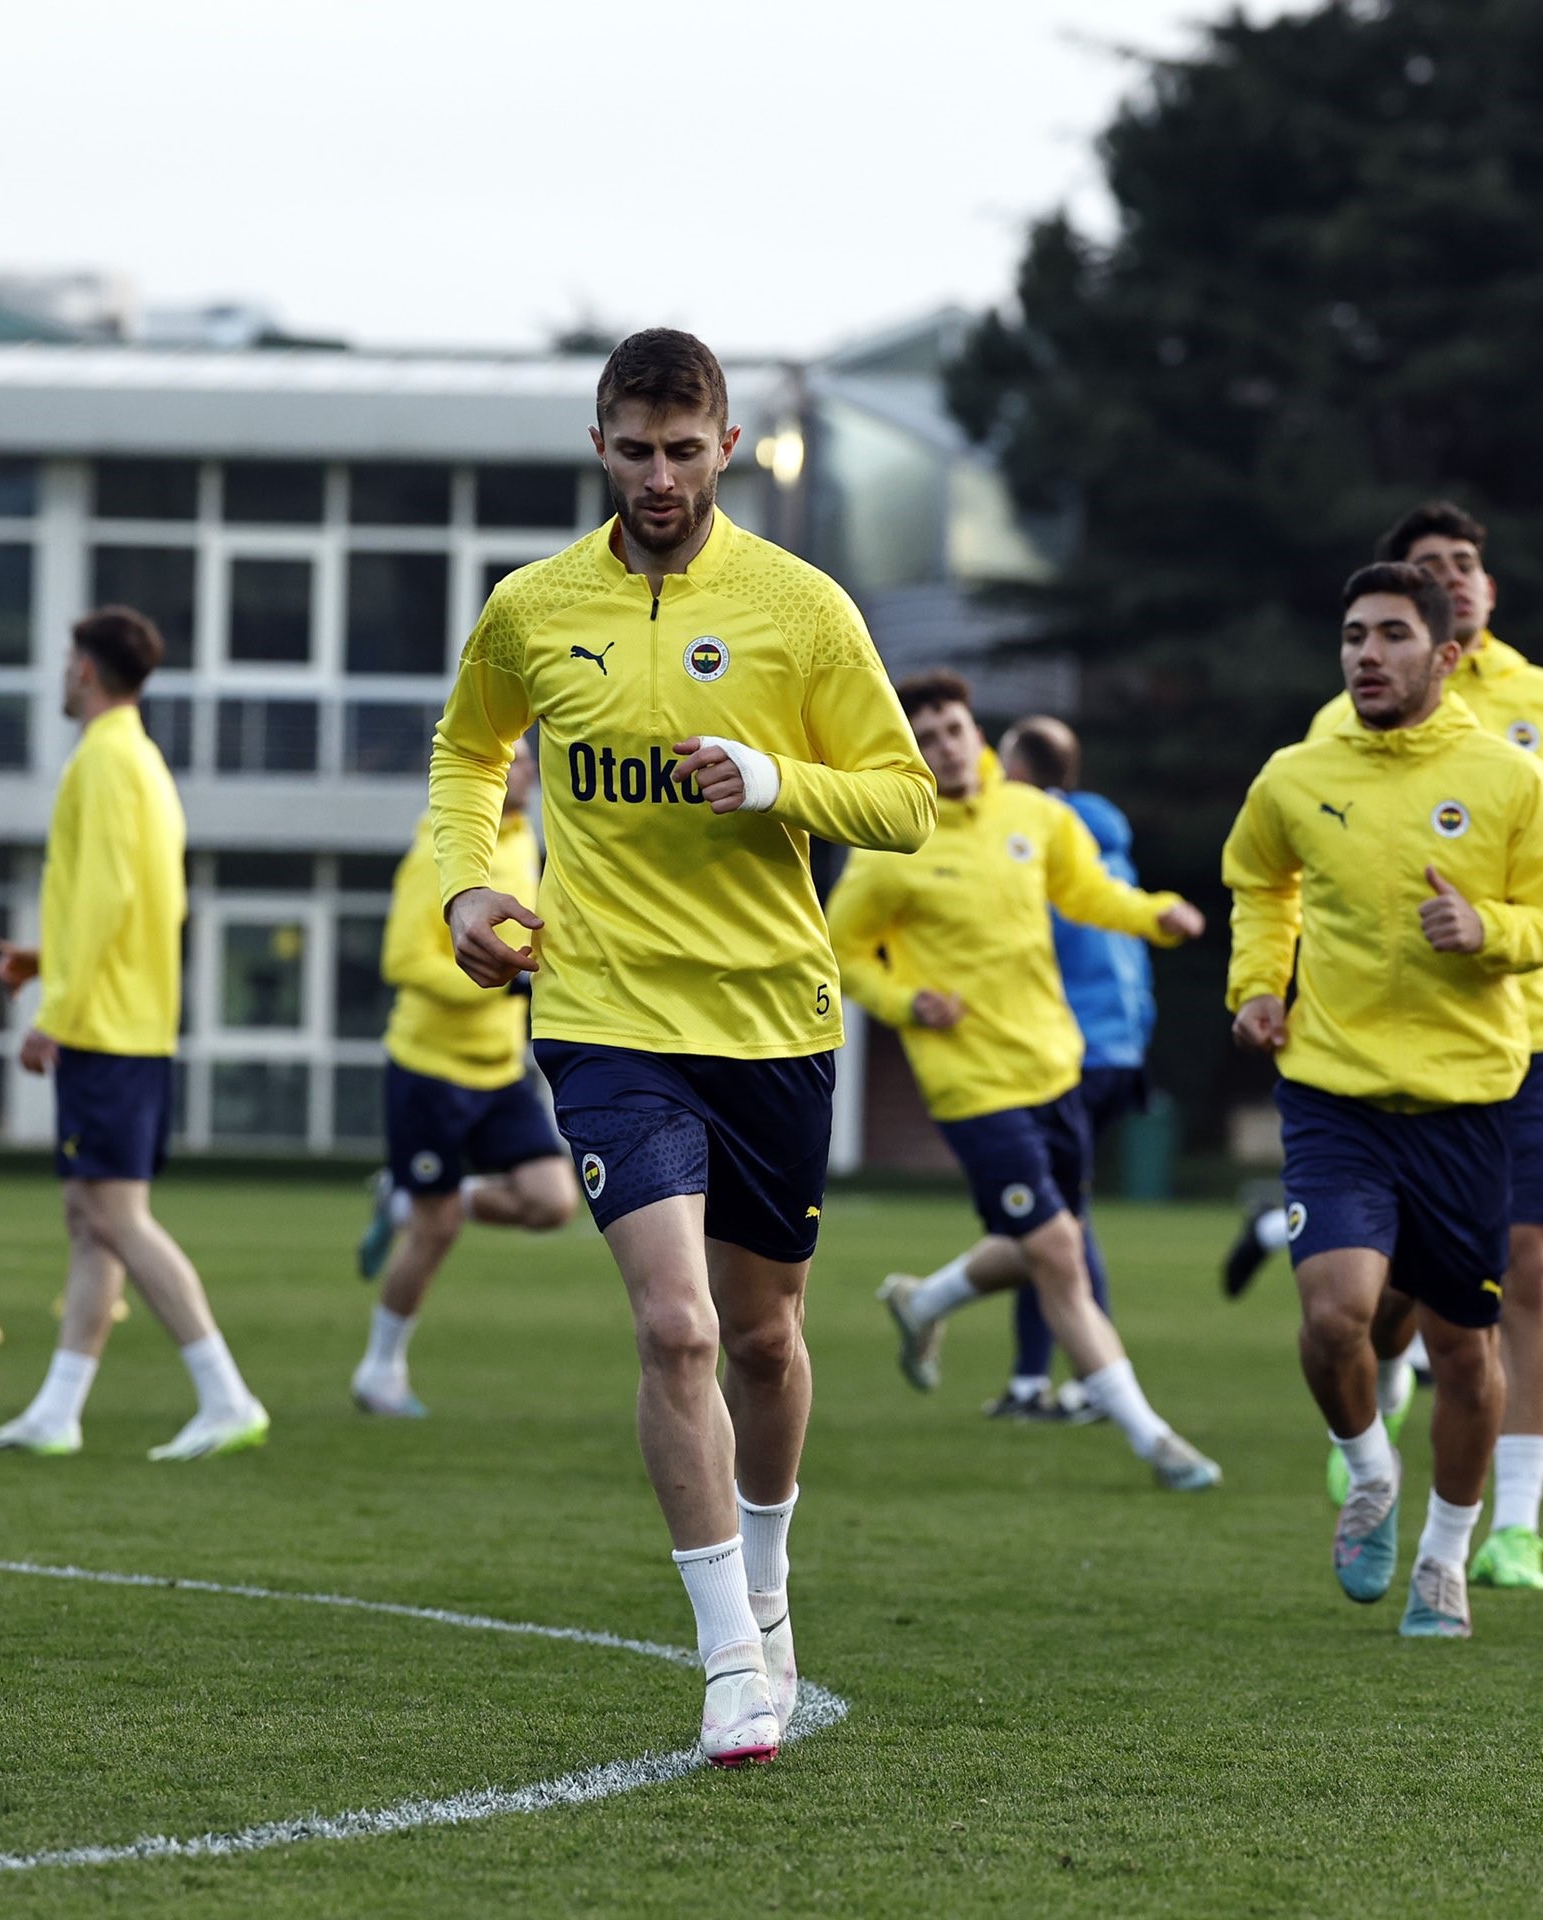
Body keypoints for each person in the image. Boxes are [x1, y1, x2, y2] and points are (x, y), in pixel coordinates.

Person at [431, 329, 935, 1766]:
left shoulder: (800, 608)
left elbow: (904, 801)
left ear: (726, 446)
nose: (659, 475)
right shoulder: (534, 608)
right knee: (678, 1324)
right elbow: (470, 752)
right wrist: (471, 881)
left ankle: (768, 1585)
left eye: (684, 448)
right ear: (599, 443)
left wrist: (774, 779)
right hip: (602, 1013)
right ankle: (724, 1654)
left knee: (766, 1334)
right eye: (634, 448)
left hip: (771, 1012)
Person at [1258, 502, 1543, 1587]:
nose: (1451, 581)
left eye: (1462, 565)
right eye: (1425, 571)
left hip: (1517, 1043)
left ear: (1472, 600)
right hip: (1352, 1069)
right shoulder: (1320, 745)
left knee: (1513, 1277)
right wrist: (1261, 983)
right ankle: (1374, 1424)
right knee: (1364, 1299)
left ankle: (1506, 1524)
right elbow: (1268, 870)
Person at [1221, 563, 1543, 1637]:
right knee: (1333, 1315)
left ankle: (1443, 1556)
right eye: (1350, 636)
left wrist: (1489, 931)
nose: (1365, 654)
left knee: (1467, 1349)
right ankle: (1366, 1468)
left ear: (1445, 654)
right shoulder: (1295, 772)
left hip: (1466, 1103)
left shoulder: (1507, 778)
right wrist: (1254, 986)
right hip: (1333, 1095)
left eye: (1388, 635)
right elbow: (1257, 880)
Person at [827, 672, 1223, 1492]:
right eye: (927, 735)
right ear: (910, 749)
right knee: (1057, 1251)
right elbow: (842, 950)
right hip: (971, 1084)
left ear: (977, 733)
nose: (945, 745)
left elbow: (1088, 894)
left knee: (1043, 1240)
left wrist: (1157, 915)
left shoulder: (1036, 818)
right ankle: (1154, 1440)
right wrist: (906, 999)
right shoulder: (891, 845)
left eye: (955, 728)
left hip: (1054, 1066)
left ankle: (924, 1301)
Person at [0, 607, 268, 1462]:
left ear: (89, 671)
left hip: (105, 1027)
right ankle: (58, 1410)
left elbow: (106, 900)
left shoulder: (102, 761)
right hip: (129, 1019)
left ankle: (225, 1394)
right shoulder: (139, 759)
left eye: (68, 659)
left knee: (115, 1215)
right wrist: (44, 958)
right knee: (89, 1214)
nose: (62, 673)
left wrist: (53, 1015)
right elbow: (140, 901)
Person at [888, 713, 1157, 1424]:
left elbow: (1024, 947)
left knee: (1059, 1231)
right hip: (1118, 1047)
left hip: (1063, 1051)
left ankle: (1049, 1380)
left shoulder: (1030, 835)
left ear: (1024, 771)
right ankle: (981, 1335)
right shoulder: (1107, 841)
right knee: (1058, 1225)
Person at [351, 742, 577, 1417]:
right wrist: (496, 990)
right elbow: (401, 960)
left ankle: (403, 1198)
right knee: (438, 1228)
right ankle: (379, 1371)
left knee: (552, 1201)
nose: (529, 769)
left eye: (531, 760)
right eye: (514, 761)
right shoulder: (442, 851)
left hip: (500, 1069)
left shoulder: (527, 840)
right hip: (428, 1070)